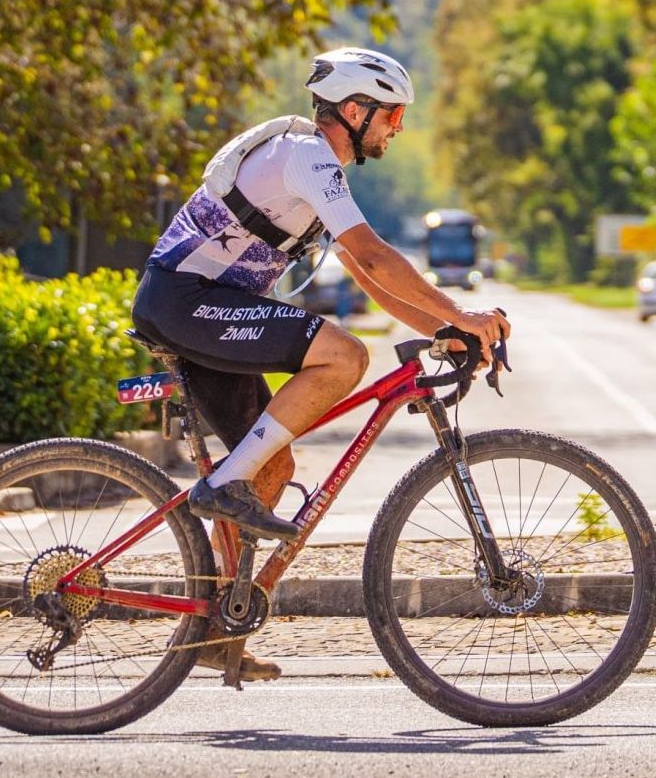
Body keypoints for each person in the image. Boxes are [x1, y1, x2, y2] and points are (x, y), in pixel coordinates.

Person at [132, 47, 509, 679]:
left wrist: (447, 330)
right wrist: (461, 314)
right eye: (392, 114)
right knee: (346, 355)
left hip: (206, 307)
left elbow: (367, 275)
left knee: (272, 467)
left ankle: (215, 629)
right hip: (186, 301)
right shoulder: (305, 156)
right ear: (355, 111)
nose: (399, 127)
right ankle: (222, 487)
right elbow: (375, 253)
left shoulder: (316, 166)